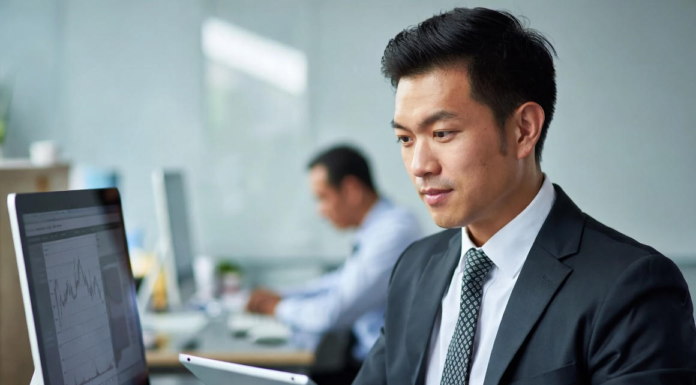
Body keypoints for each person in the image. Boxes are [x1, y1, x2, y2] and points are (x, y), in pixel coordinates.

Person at [354, 7, 696, 385]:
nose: (419, 165)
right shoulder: (415, 269)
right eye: (405, 138)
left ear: (523, 130)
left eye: (443, 133)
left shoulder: (630, 287)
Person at [246, 145, 422, 384]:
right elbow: (340, 281)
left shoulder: (393, 232)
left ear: (351, 190)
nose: (320, 212)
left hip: (382, 370)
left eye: (322, 197)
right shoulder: (376, 228)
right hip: (365, 356)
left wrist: (278, 307)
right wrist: (282, 295)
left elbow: (334, 312)